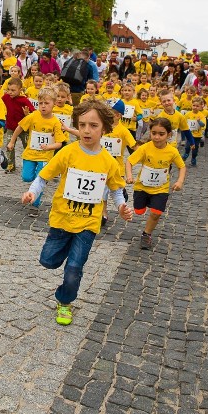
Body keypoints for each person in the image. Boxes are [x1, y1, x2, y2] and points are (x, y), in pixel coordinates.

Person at [21, 99, 132, 325]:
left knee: (74, 269)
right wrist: (32, 192)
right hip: (61, 219)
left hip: (88, 224)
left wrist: (121, 207)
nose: (86, 130)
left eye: (93, 125)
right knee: (48, 261)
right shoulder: (68, 152)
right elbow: (43, 177)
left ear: (105, 129)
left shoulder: (109, 162)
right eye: (82, 125)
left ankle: (65, 302)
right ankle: (65, 251)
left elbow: (117, 191)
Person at [126, 117, 186, 249]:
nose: (157, 137)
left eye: (161, 134)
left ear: (169, 135)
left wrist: (180, 181)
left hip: (161, 189)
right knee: (139, 211)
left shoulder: (172, 151)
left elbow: (182, 166)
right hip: (142, 187)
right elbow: (129, 161)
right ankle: (145, 204)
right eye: (154, 133)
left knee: (156, 213)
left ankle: (146, 234)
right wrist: (129, 175)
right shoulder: (145, 148)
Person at [7, 86, 68, 216]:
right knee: (26, 177)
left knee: (39, 180)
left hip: (45, 157)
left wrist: (49, 147)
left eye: (46, 103)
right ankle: (33, 186)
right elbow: (19, 127)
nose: (43, 106)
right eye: (40, 103)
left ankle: (34, 205)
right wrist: (12, 141)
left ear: (54, 103)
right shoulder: (33, 116)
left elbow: (60, 143)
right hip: (30, 154)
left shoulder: (56, 122)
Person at [2, 76, 35, 173]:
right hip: (10, 127)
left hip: (23, 128)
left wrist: (27, 113)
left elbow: (33, 113)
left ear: (20, 90)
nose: (10, 92)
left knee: (27, 146)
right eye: (8, 89)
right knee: (9, 145)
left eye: (13, 90)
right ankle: (10, 164)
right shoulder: (6, 97)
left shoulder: (24, 100)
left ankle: (29, 164)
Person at [182, 97, 207, 166]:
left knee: (195, 149)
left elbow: (203, 125)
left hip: (197, 135)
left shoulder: (201, 115)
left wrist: (199, 121)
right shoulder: (188, 114)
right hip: (189, 134)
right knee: (187, 146)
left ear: (201, 106)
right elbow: (183, 121)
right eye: (194, 105)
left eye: (197, 106)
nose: (195, 107)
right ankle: (186, 154)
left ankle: (193, 158)